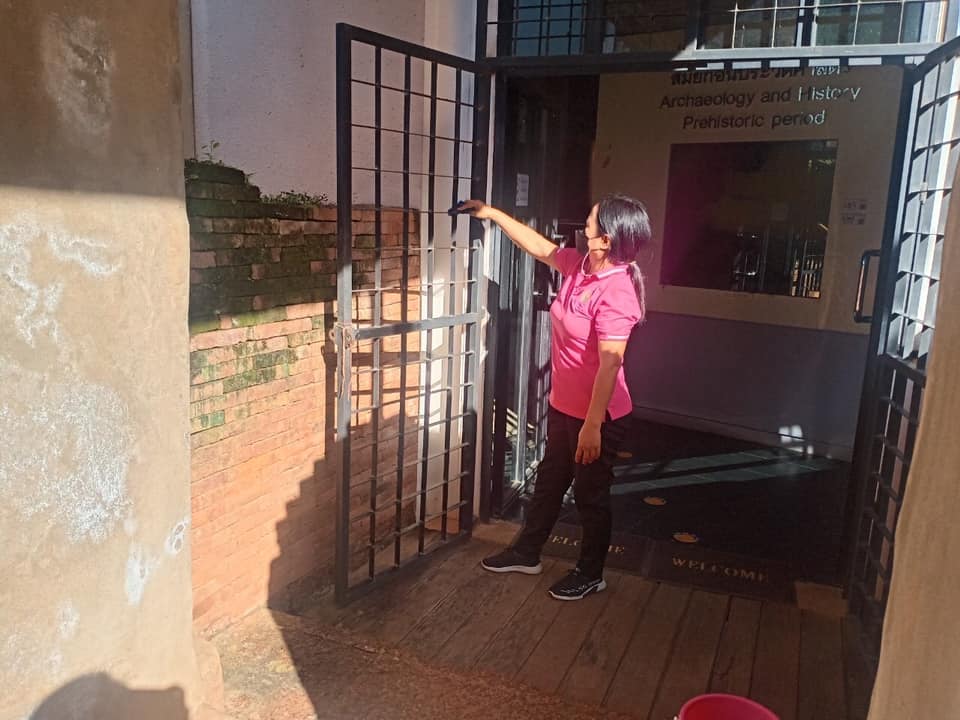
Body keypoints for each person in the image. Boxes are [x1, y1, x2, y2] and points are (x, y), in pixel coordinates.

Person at [461, 194, 651, 600]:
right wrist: (492, 214)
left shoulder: (617, 292)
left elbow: (610, 364)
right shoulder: (581, 267)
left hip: (599, 417)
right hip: (566, 407)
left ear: (607, 239)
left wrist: (593, 426)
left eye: (592, 220)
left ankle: (591, 573)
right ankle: (527, 552)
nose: (585, 222)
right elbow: (539, 247)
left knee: (590, 496)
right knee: (550, 483)